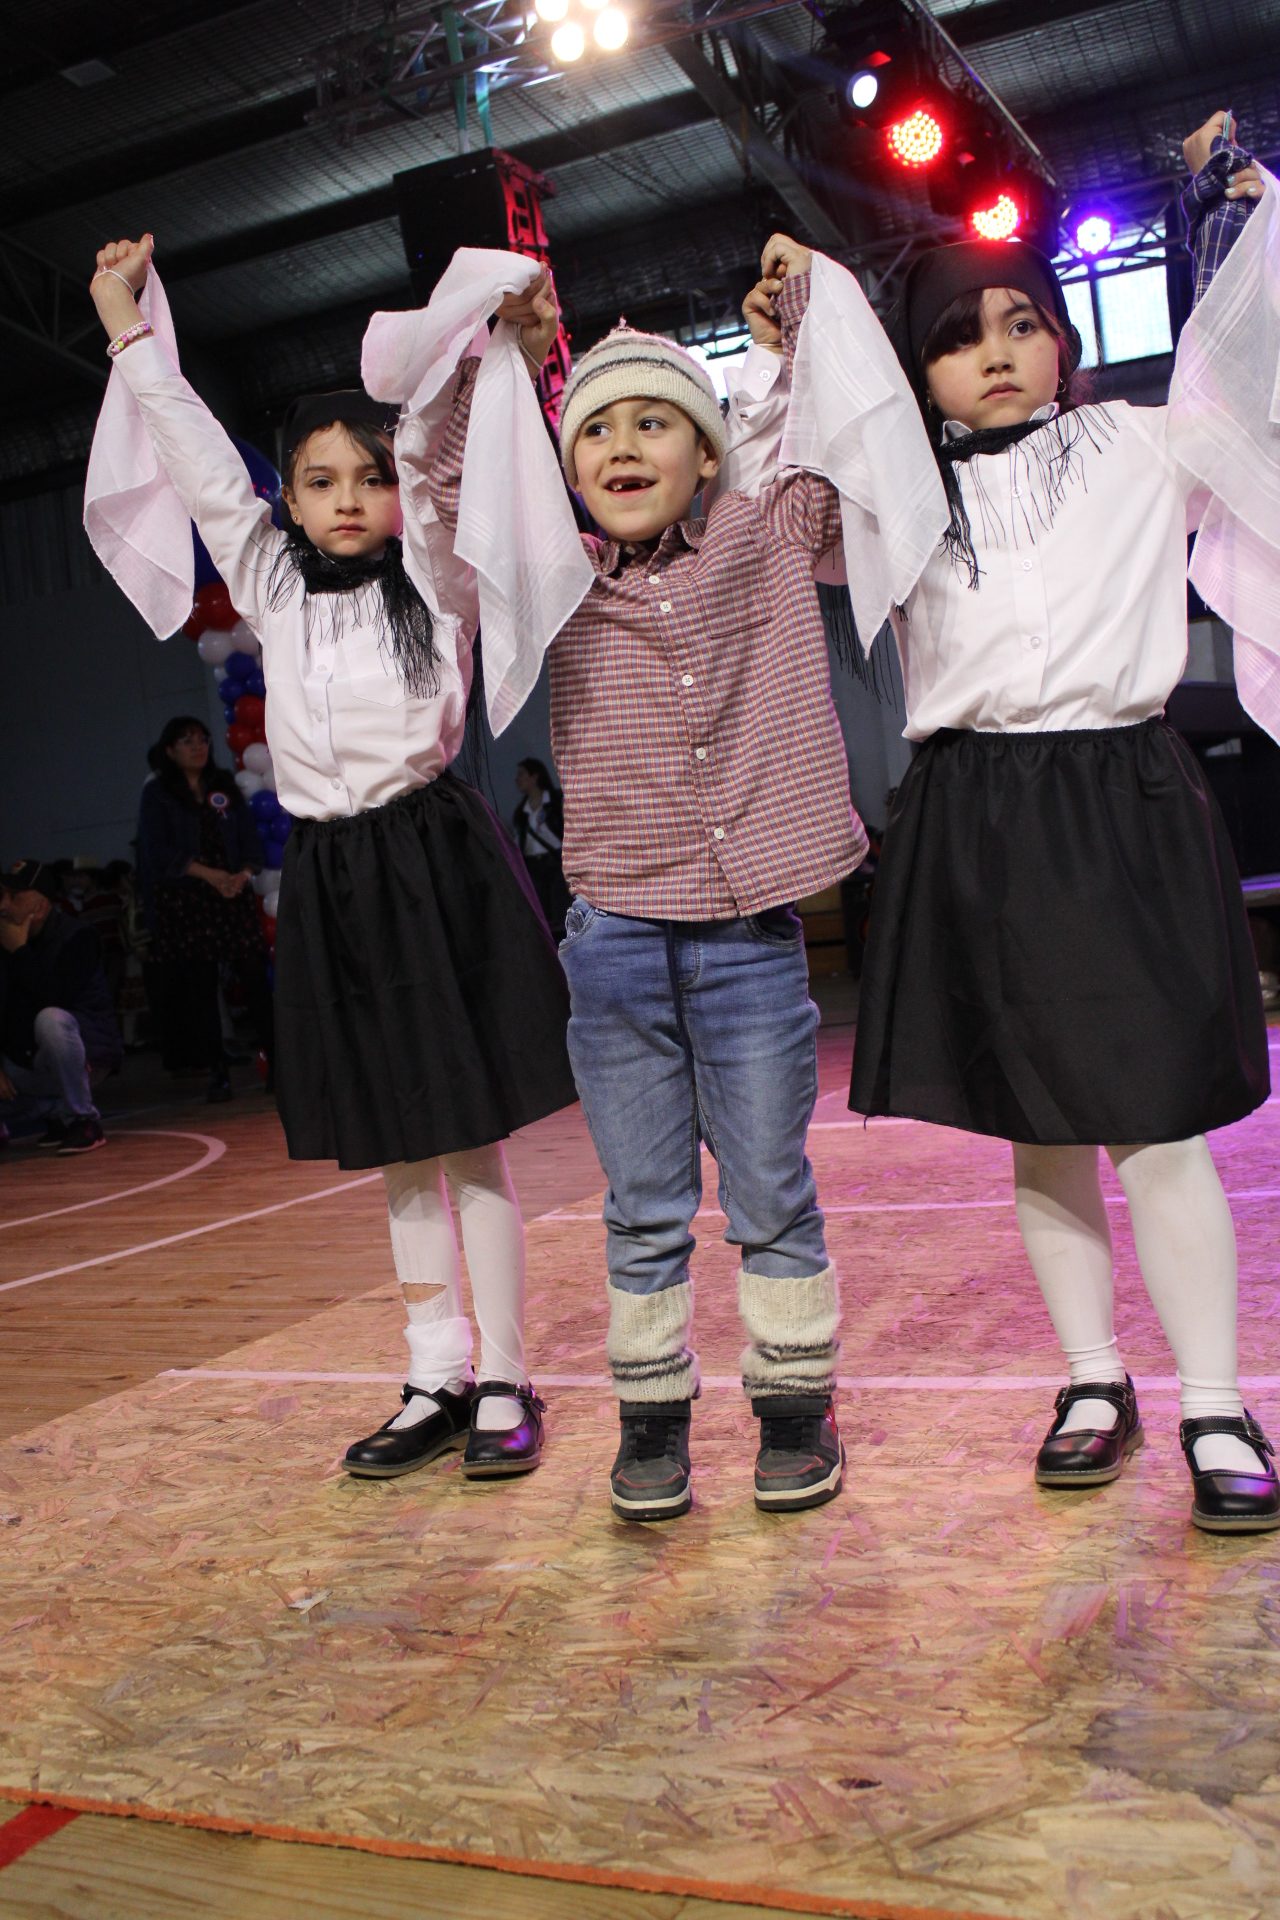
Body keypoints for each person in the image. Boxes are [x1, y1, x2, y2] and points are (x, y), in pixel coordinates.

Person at [391, 236, 933, 1525]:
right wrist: (507, 359)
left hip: (747, 939)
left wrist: (796, 306)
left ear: (704, 454)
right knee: (640, 1206)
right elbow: (454, 487)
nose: (621, 446)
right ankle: (651, 1421)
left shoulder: (766, 533)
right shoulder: (551, 580)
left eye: (653, 423)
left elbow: (837, 431)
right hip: (617, 943)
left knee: (769, 1192)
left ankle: (793, 1408)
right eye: (593, 431)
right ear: (565, 467)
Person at [790, 111, 1280, 1533]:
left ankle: (1213, 1402)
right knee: (1039, 1128)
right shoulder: (896, 500)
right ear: (918, 370)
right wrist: (785, 338)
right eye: (958, 336)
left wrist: (1240, 212)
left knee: (1158, 1127)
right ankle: (1088, 1380)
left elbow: (1254, 373)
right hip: (977, 814)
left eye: (1022, 324)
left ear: (1063, 342)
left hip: (1121, 802)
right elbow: (787, 492)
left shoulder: (1143, 446)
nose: (996, 351)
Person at [85, 234, 579, 1480]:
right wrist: (128, 332)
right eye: (318, 480)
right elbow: (199, 462)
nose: (347, 497)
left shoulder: (432, 573)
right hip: (333, 877)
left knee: (468, 1135)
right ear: (291, 500)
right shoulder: (267, 581)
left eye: (366, 475)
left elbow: (440, 444)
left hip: (433, 863)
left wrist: (497, 345)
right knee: (394, 1140)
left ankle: (506, 1372)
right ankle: (433, 1371)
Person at [136, 715, 272, 1101]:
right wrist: (211, 876)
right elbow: (157, 850)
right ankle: (217, 1072)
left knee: (254, 977)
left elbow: (248, 839)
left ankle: (277, 1063)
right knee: (201, 987)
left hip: (232, 893)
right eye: (188, 741)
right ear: (169, 750)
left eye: (203, 739)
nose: (198, 747)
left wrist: (242, 874)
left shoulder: (223, 784)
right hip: (188, 899)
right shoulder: (158, 792)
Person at [0, 859, 122, 1155]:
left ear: (40, 907)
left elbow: (54, 997)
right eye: (2, 896)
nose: (3, 906)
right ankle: (55, 1112)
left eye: (14, 897)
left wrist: (20, 952)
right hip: (32, 1062)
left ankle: (83, 1120)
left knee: (51, 1019)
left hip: (87, 1054)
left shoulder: (78, 937)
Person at [511, 757, 570, 937]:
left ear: (534, 777)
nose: (517, 779)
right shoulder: (521, 812)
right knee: (543, 912)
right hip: (533, 866)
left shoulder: (555, 801)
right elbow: (519, 840)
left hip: (555, 862)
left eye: (522, 774)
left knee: (561, 908)